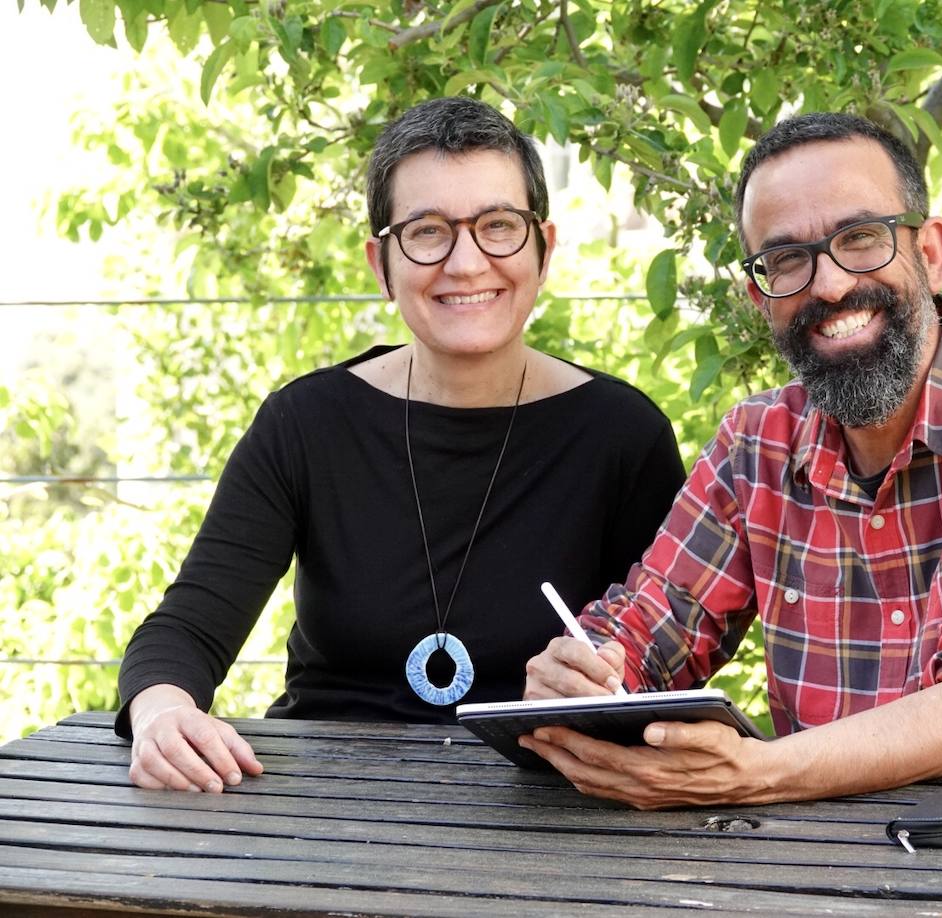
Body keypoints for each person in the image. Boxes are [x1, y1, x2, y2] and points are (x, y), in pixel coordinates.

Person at [522, 112, 942, 809]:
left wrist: (753, 773)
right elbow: (650, 629)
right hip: (832, 852)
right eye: (788, 259)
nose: (827, 286)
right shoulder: (756, 442)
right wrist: (580, 676)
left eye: (859, 239)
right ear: (758, 294)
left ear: (931, 250)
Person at [116, 97, 686, 793]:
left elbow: (665, 667)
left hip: (544, 812)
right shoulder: (308, 422)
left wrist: (611, 681)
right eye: (426, 232)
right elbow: (188, 626)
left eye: (498, 226)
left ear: (544, 248)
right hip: (320, 803)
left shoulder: (622, 436)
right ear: (380, 263)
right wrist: (162, 714)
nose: (466, 261)